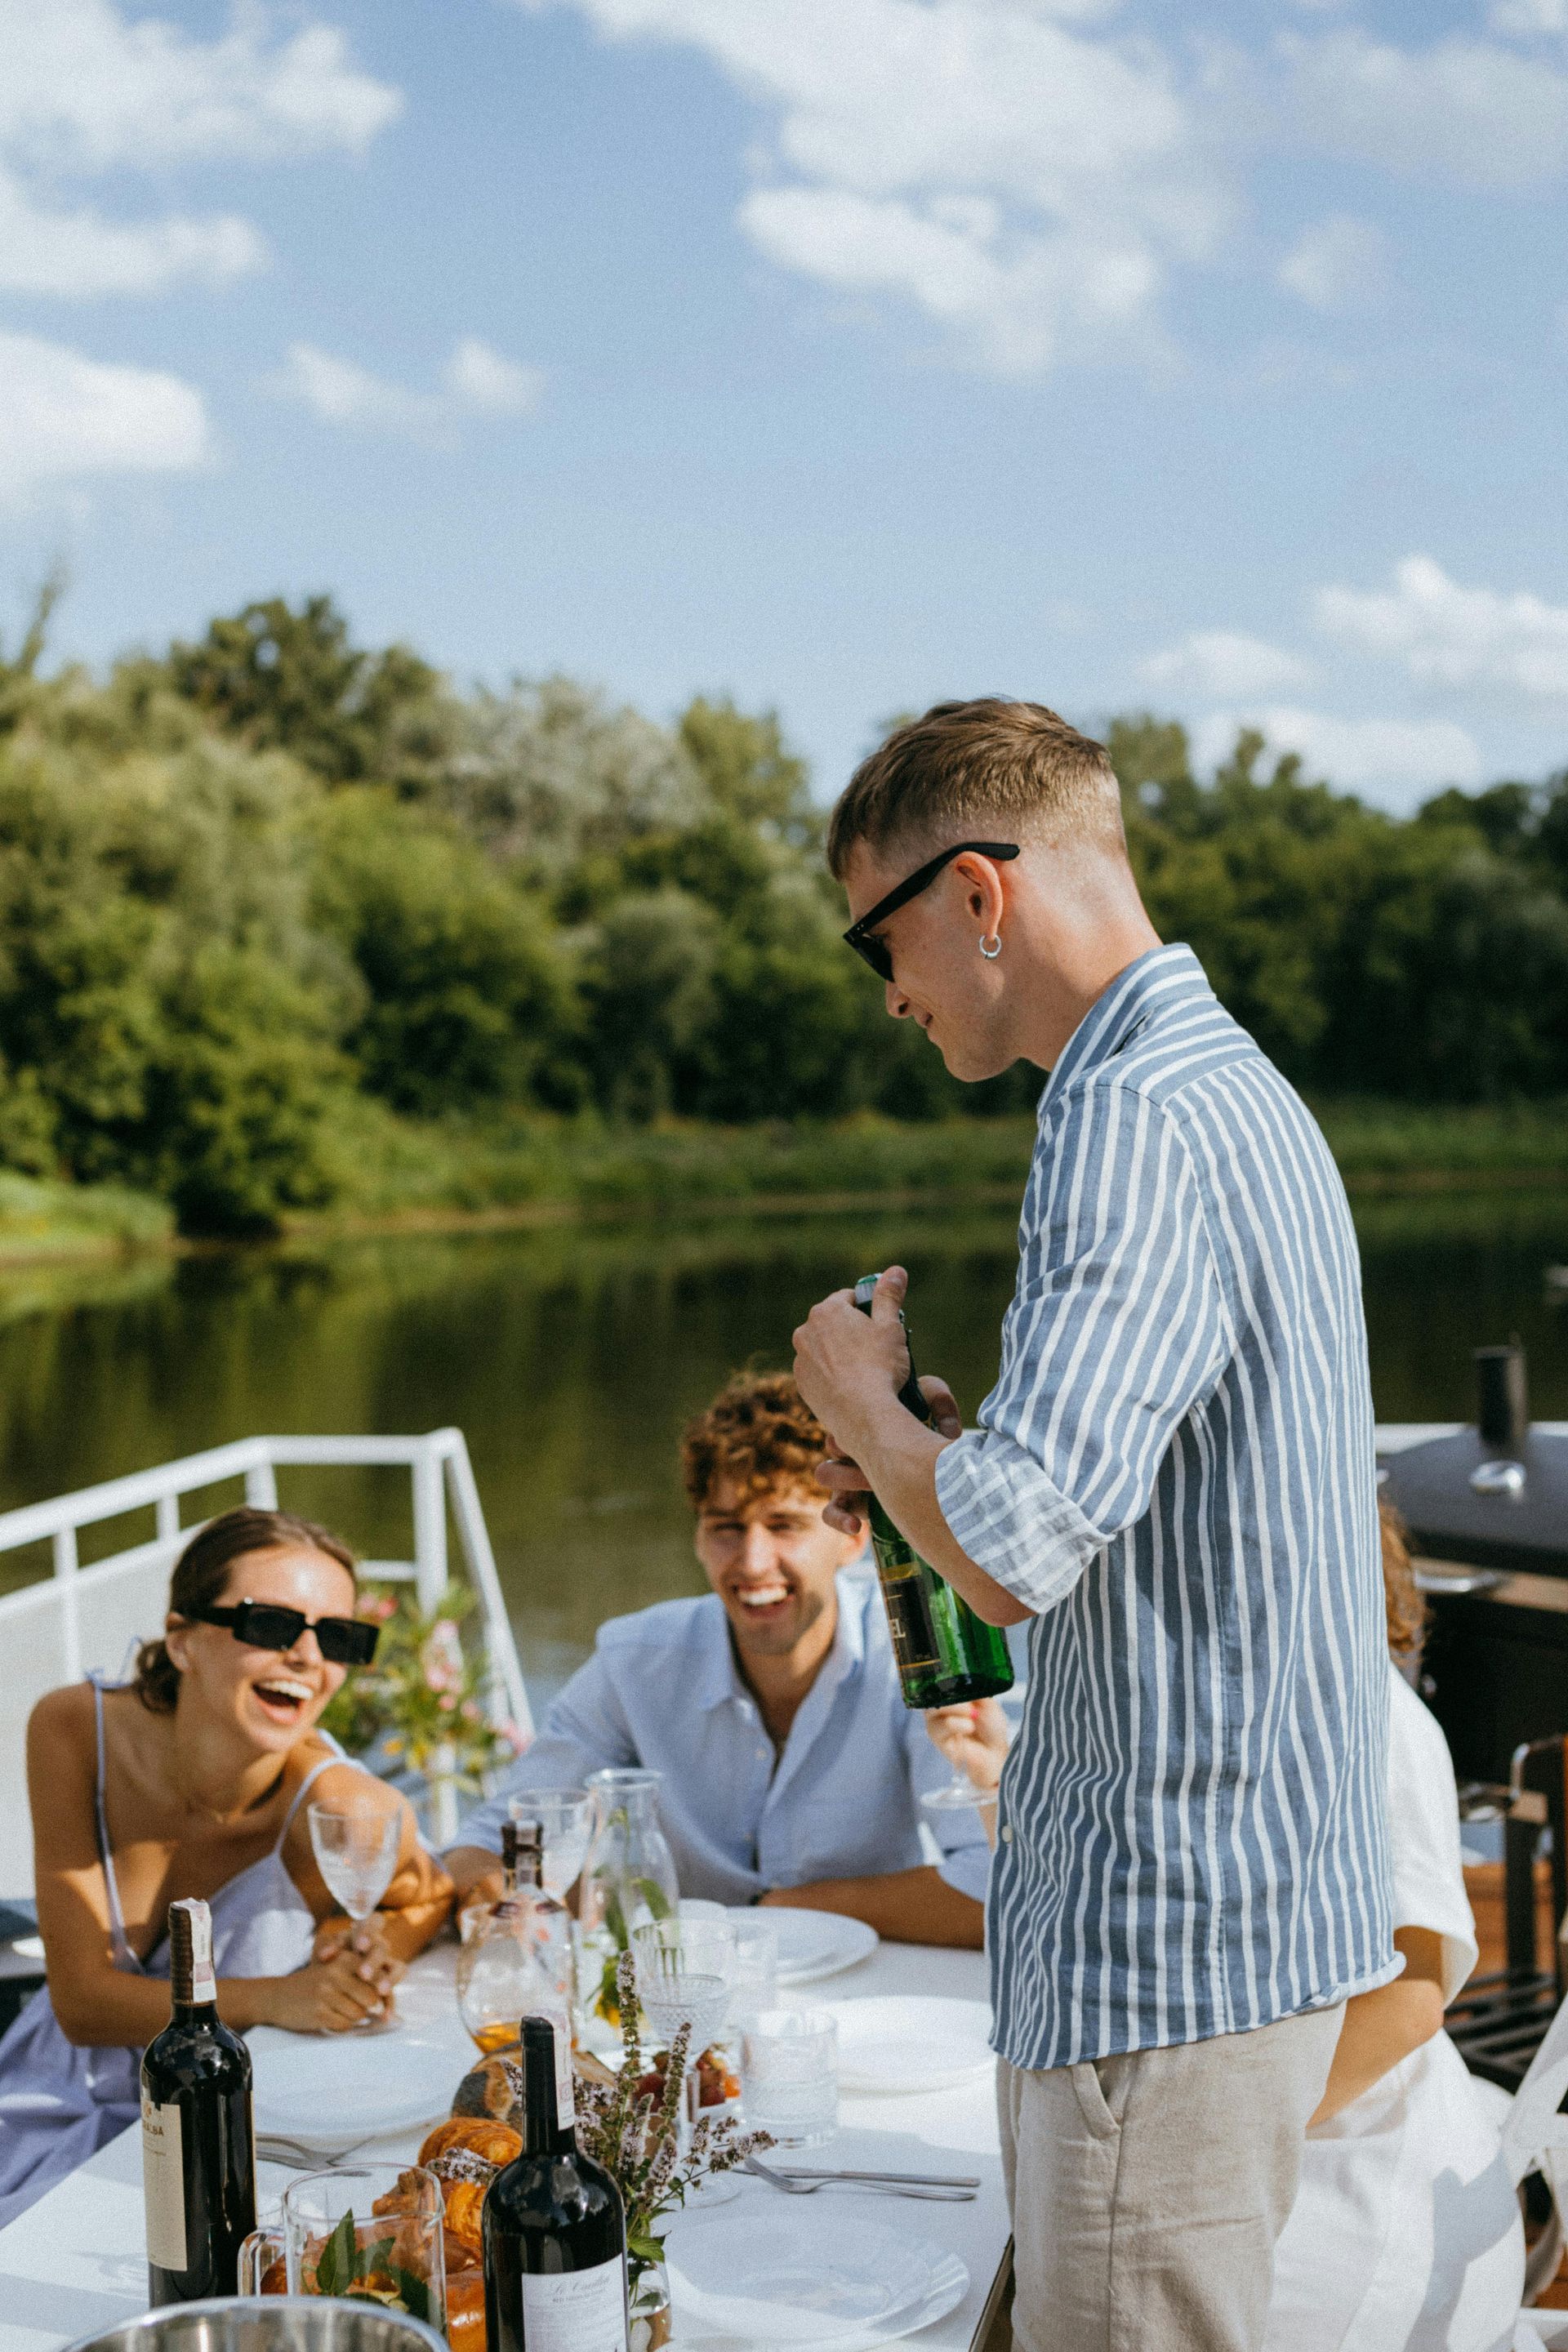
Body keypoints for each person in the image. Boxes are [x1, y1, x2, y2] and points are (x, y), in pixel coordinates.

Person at [791, 698, 1396, 2352]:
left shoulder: (1124, 1117)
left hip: (1162, 1951)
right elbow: (1121, 1497)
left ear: (980, 895)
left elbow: (1009, 1551)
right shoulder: (1229, 1084)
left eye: (878, 942)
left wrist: (854, 1407)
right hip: (1233, 1925)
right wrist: (947, 1457)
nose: (894, 994)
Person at [928, 1500, 1526, 2350]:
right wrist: (1001, 1773)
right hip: (1247, 2151)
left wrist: (1182, 2140)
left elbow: (1412, 1999)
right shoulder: (1206, 1714)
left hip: (1345, 2190)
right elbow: (1110, 1900)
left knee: (1011, 2279)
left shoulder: (1368, 1722)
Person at [0, 1505, 452, 2225]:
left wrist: (368, 1947)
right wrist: (279, 1997)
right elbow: (81, 2004)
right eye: (270, 1625)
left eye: (336, 1637)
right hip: (47, 2096)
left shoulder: (337, 1806)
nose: (307, 1656)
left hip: (224, 2121)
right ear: (181, 1640)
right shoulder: (73, 1730)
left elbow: (432, 1895)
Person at [445, 1370, 990, 1942]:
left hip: (867, 1994)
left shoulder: (915, 1654)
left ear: (854, 1537)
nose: (753, 1562)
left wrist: (781, 1907)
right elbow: (486, 1844)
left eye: (784, 1525)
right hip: (679, 1994)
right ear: (699, 1539)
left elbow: (996, 1886)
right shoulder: (633, 1661)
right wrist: (508, 1907)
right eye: (727, 1528)